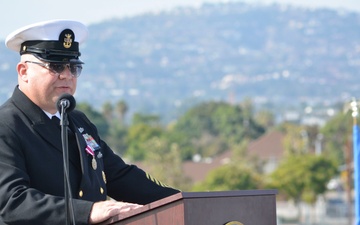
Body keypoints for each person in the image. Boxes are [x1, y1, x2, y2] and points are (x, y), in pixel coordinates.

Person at [0, 19, 180, 225]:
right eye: (56, 66)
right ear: (24, 71)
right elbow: (11, 202)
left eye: (73, 67)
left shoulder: (77, 121)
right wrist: (88, 211)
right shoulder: (6, 125)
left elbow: (118, 176)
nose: (67, 75)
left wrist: (181, 201)